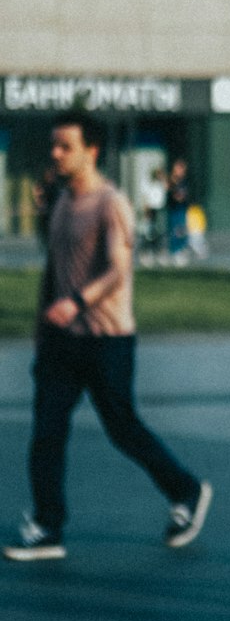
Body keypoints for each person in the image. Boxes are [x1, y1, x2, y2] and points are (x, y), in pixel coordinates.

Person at [3, 112, 212, 562]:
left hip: (107, 339)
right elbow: (54, 273)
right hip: (61, 340)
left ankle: (187, 490)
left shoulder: (110, 202)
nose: (56, 154)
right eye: (54, 146)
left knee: (122, 429)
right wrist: (44, 327)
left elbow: (119, 271)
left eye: (65, 147)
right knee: (47, 433)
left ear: (90, 150)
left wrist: (77, 303)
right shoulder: (61, 201)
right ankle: (47, 527)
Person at [165, 158, 191, 264]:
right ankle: (174, 251)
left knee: (181, 229)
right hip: (173, 208)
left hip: (181, 208)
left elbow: (183, 195)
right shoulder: (171, 180)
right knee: (174, 229)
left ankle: (181, 249)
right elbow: (170, 192)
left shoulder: (184, 182)